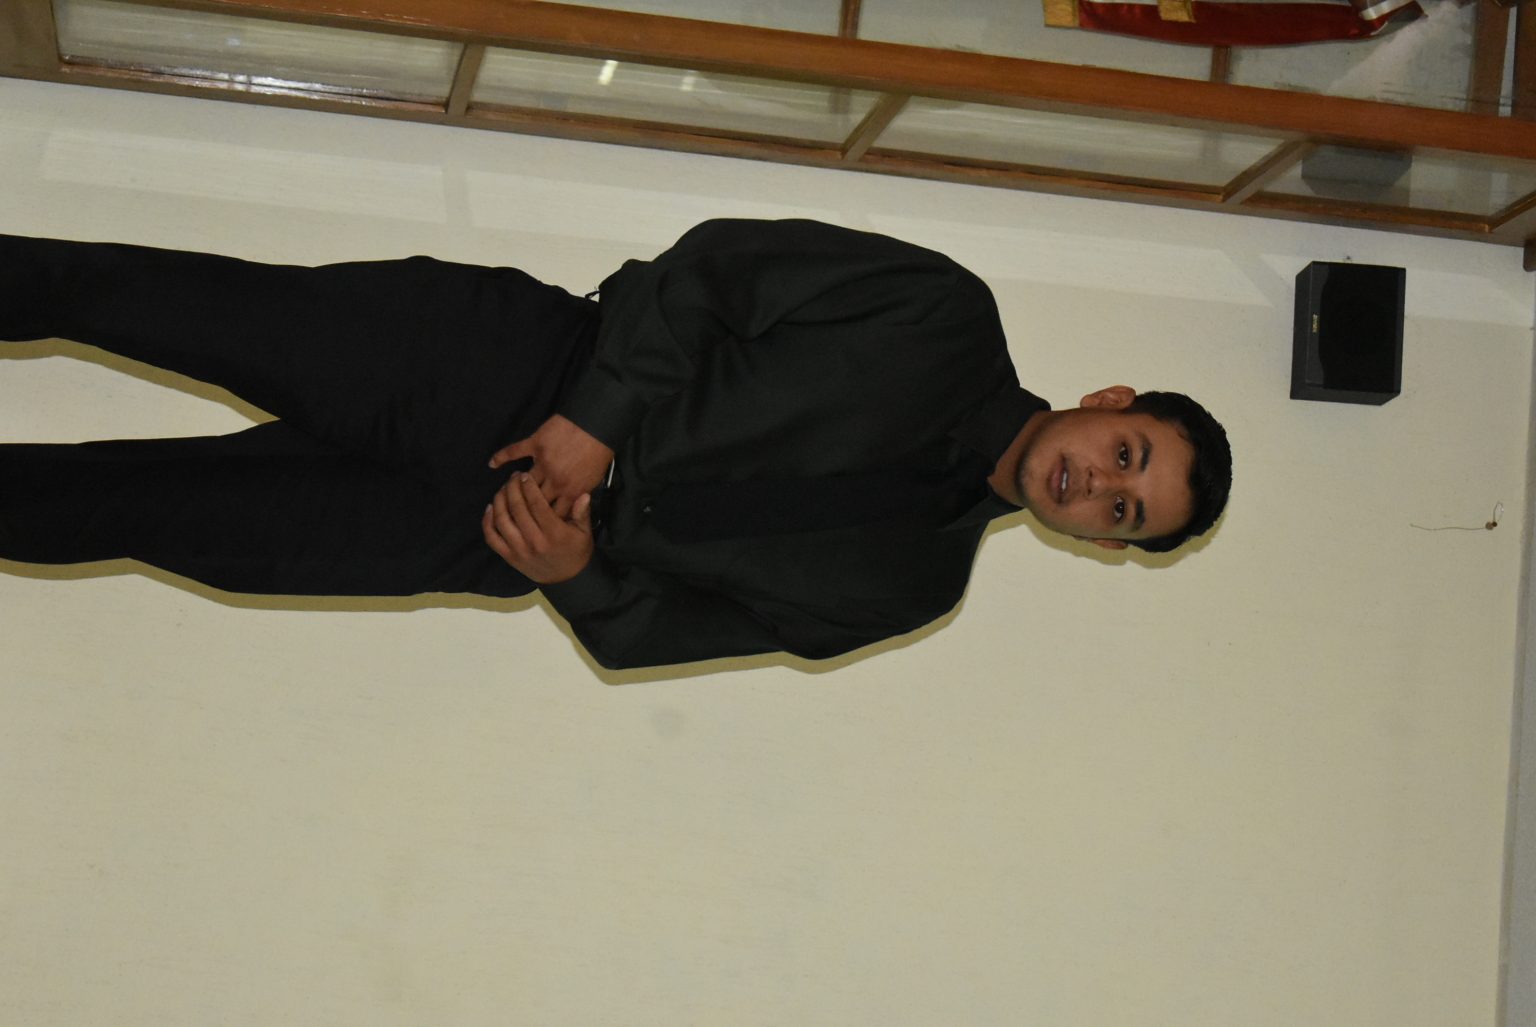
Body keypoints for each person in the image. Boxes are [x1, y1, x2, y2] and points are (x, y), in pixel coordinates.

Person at [0, 219, 1231, 669]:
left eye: (1124, 511)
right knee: (154, 304)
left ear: (1101, 545)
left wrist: (573, 573)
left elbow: (668, 634)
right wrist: (594, 419)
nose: (1097, 484)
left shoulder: (909, 586)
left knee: (142, 514)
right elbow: (714, 270)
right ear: (1109, 398)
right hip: (504, 367)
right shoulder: (944, 314)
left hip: (484, 538)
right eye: (1127, 453)